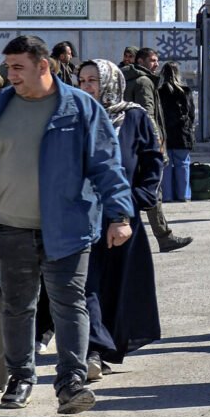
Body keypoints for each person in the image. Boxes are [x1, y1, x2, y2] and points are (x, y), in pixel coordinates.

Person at [0, 35, 134, 413]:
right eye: (9, 67)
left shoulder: (80, 107)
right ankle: (20, 378)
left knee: (69, 305)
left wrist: (119, 215)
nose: (11, 75)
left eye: (18, 67)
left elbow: (106, 163)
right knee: (17, 306)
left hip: (68, 227)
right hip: (9, 226)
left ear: (43, 66)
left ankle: (70, 383)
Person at [76, 59, 163, 379]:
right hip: (83, 214)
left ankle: (105, 346)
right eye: (82, 80)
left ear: (110, 82)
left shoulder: (134, 117)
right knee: (87, 282)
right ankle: (92, 349)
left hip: (123, 215)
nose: (87, 86)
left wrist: (139, 198)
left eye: (93, 80)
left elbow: (152, 161)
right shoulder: (76, 115)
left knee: (117, 283)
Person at [125, 47, 192, 253]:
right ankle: (163, 238)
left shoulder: (127, 78)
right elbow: (148, 115)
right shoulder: (144, 82)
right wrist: (157, 147)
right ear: (141, 61)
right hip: (144, 146)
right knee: (153, 191)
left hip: (130, 144)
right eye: (153, 60)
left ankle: (158, 236)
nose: (156, 64)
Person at [157, 62, 195, 203]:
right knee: (183, 164)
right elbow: (191, 114)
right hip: (182, 134)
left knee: (166, 165)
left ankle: (167, 195)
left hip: (165, 134)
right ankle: (183, 195)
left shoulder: (159, 92)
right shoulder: (185, 91)